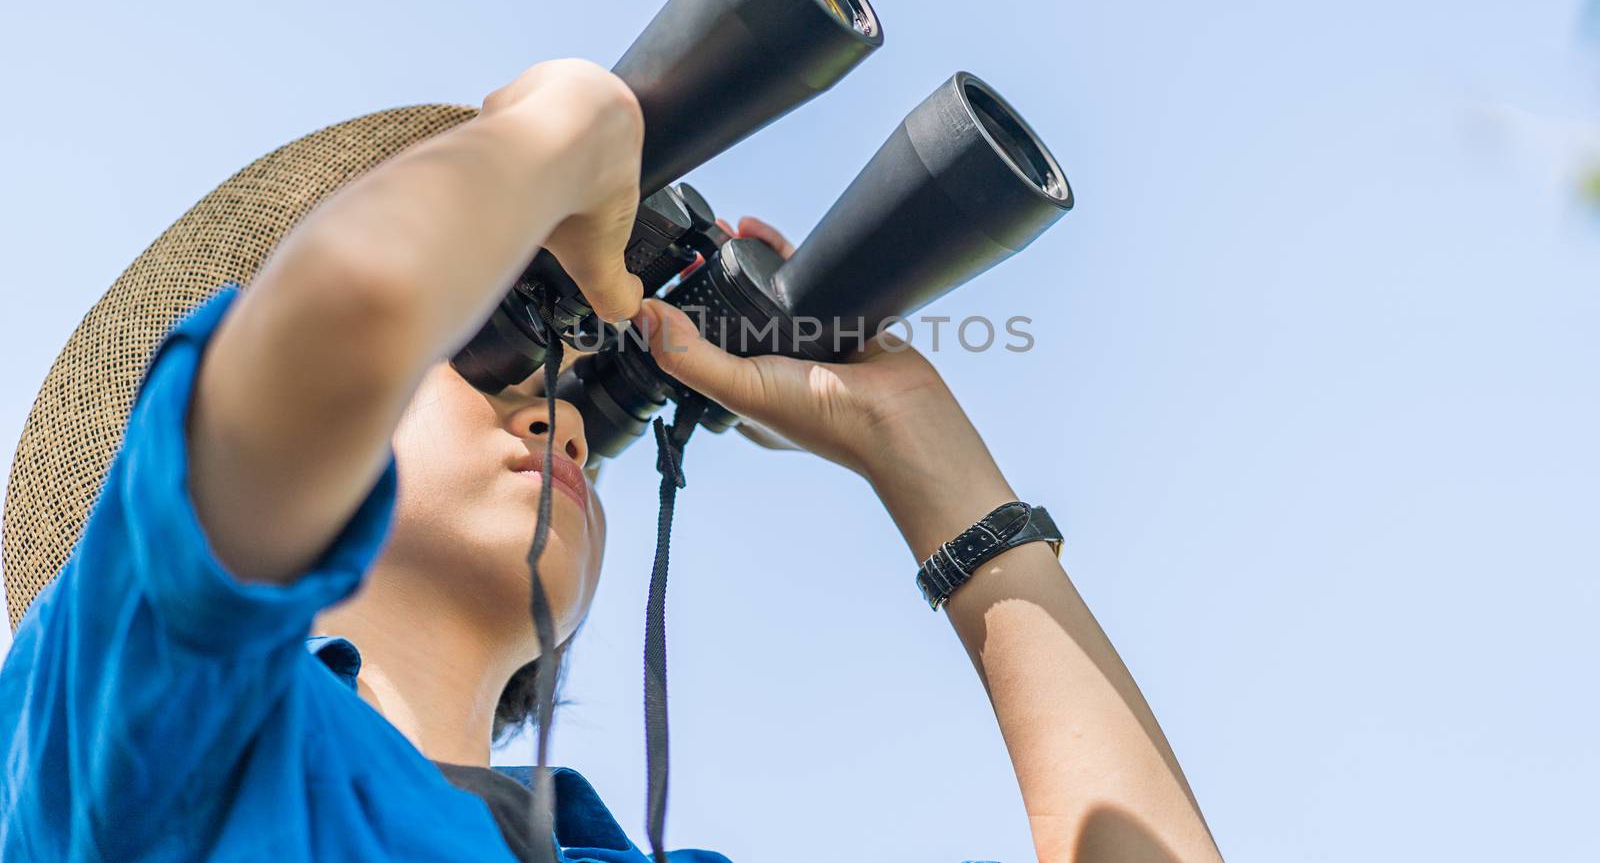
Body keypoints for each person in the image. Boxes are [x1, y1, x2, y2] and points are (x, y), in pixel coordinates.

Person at [0, 59, 1221, 862]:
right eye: (491, 343)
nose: (565, 414)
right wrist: (562, 132)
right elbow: (327, 331)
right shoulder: (130, 726)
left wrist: (938, 475)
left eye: (589, 391)